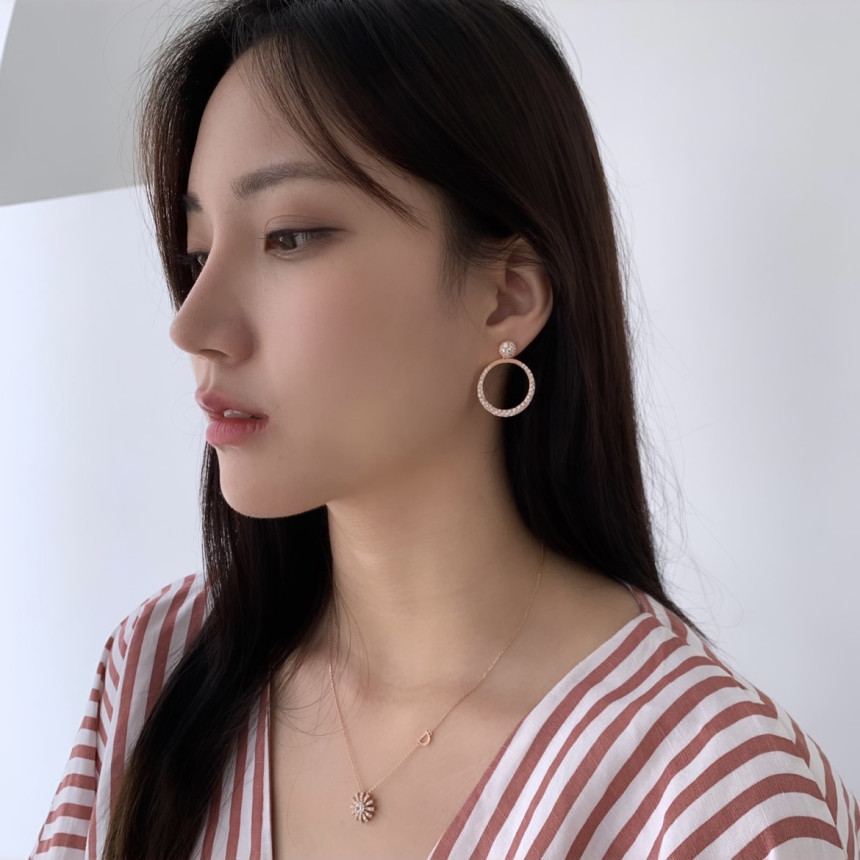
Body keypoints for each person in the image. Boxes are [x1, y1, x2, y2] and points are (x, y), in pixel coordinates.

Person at [31, 0, 859, 858]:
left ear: (506, 297)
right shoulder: (153, 674)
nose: (193, 324)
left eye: (289, 237)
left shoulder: (715, 798)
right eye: (200, 252)